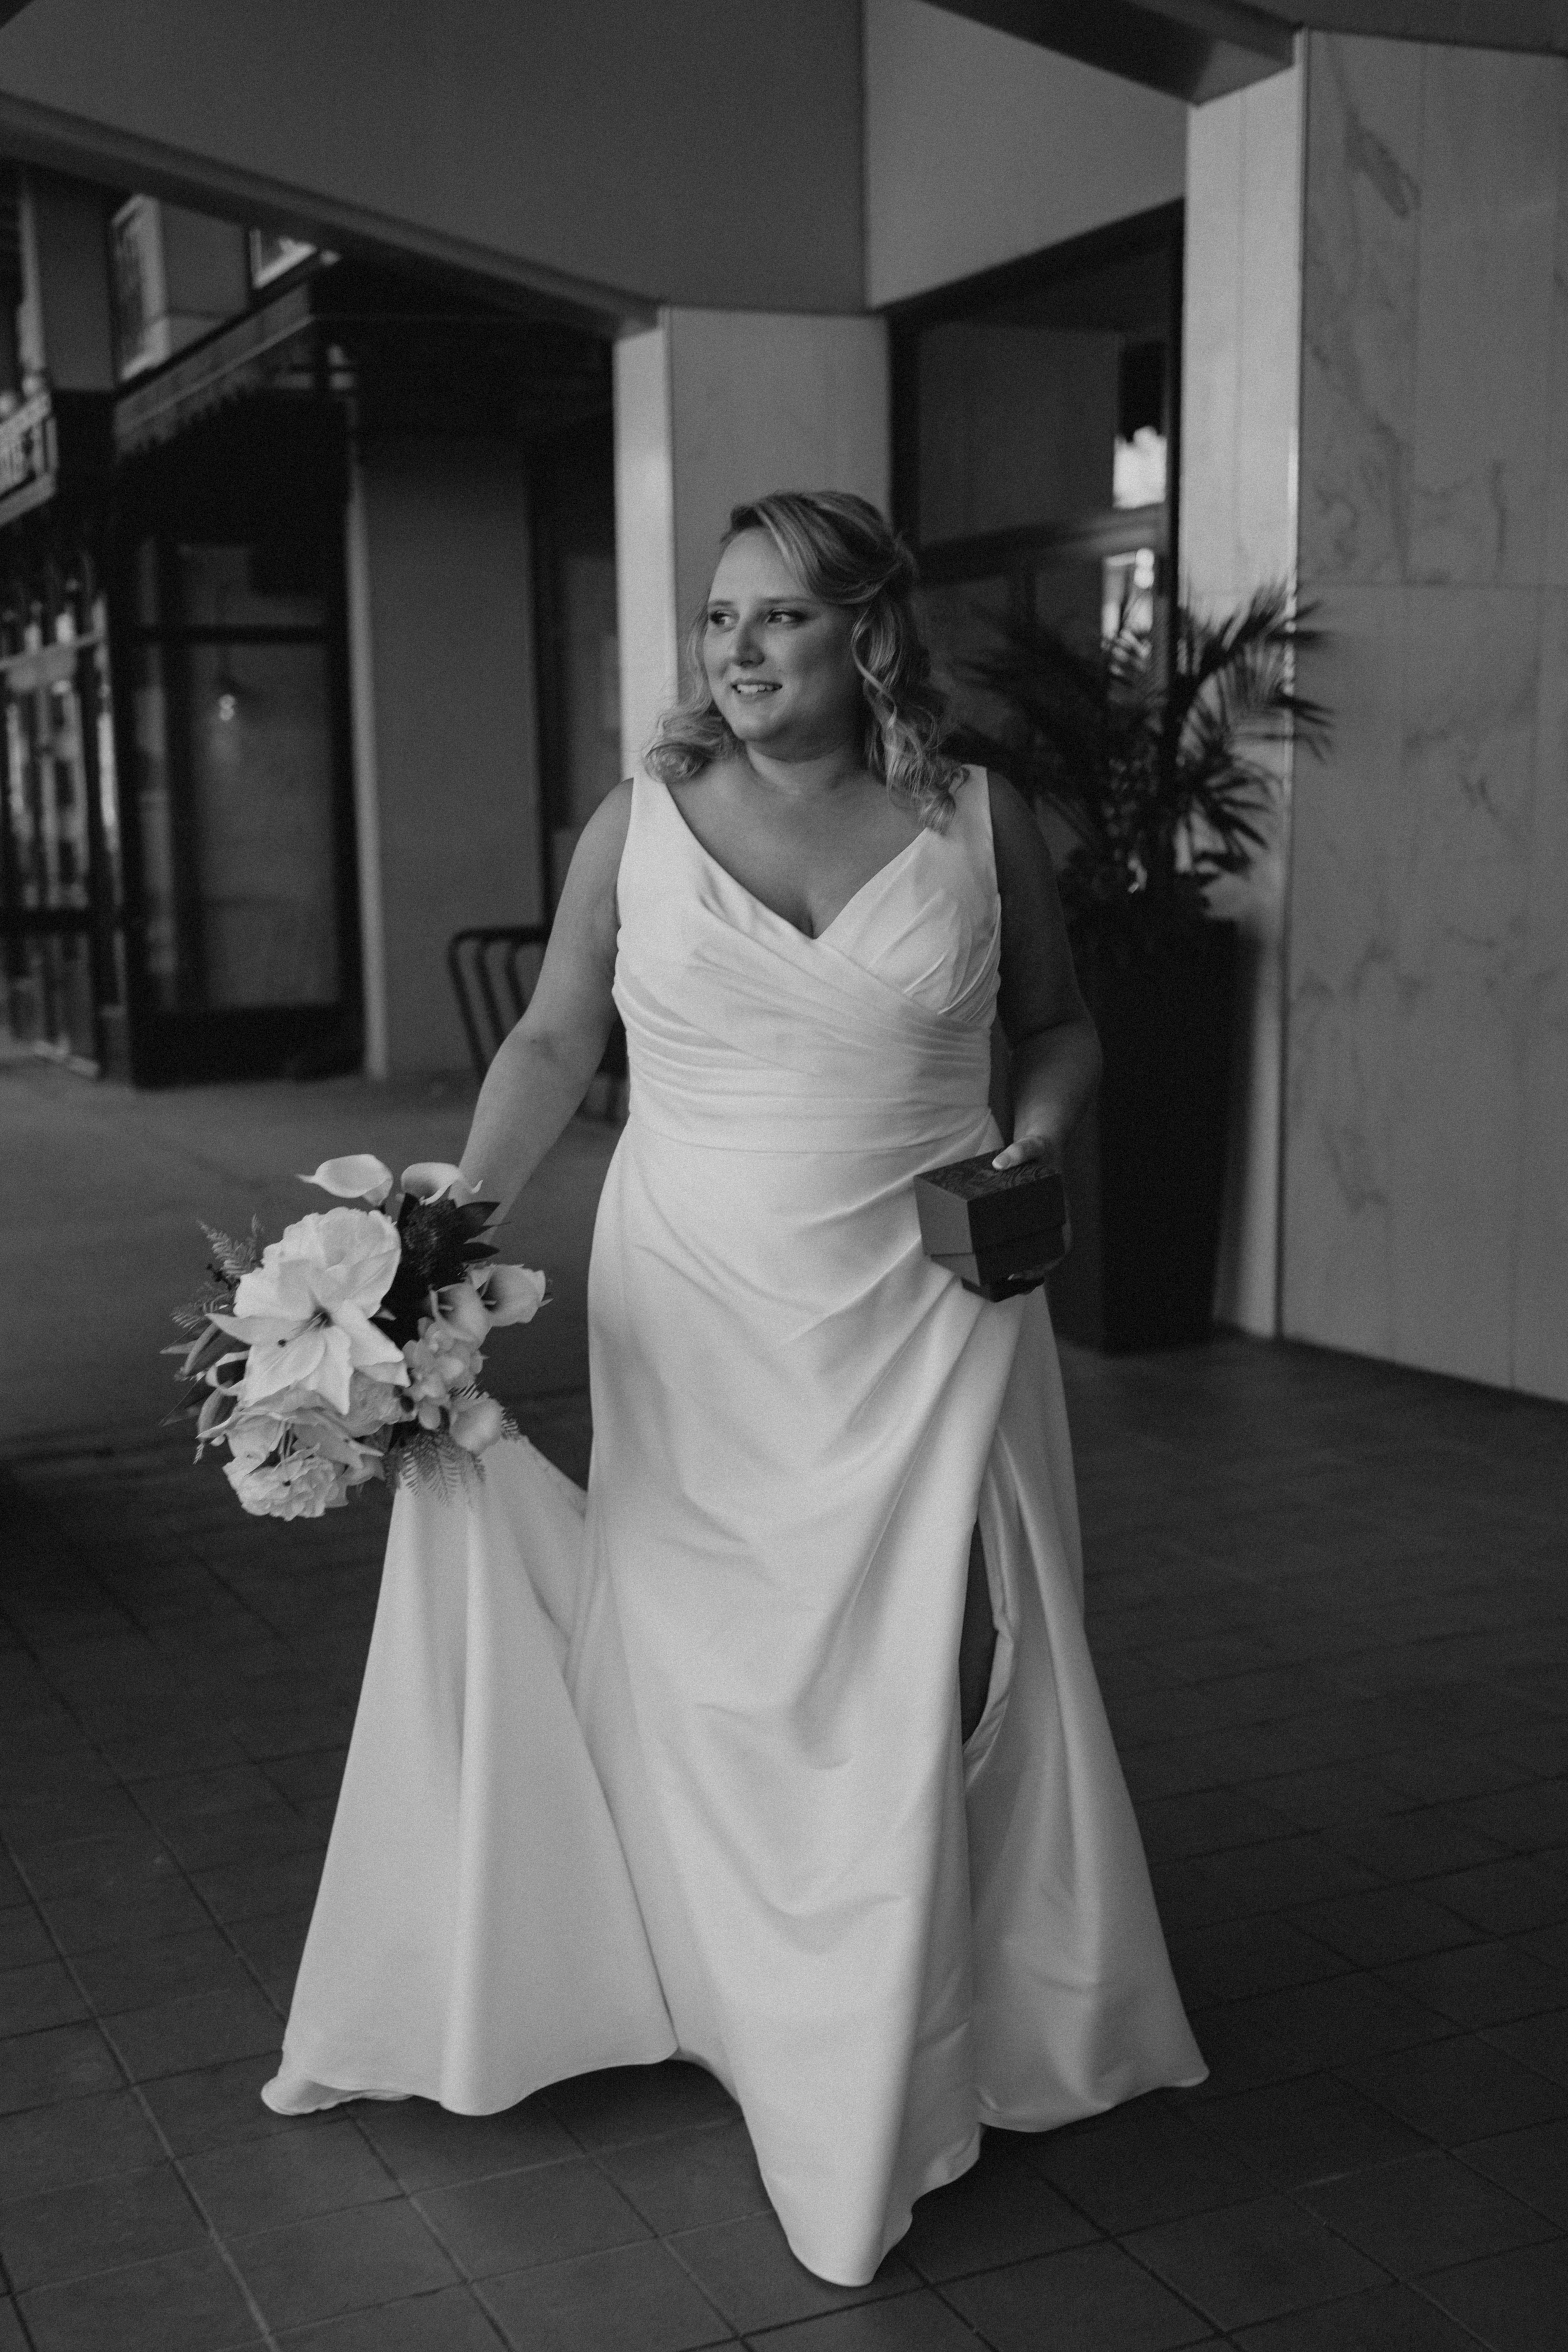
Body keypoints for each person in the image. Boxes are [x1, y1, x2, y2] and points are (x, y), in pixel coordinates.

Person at [262, 490, 1204, 2287]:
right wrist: (430, 1236)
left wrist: (1031, 1136)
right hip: (692, 1302)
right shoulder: (637, 823)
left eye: (775, 618)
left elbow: (1062, 1019)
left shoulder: (974, 813)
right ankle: (737, 1994)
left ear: (866, 635)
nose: (735, 651)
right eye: (715, 620)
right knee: (712, 1663)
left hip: (929, 1298)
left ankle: (882, 2034)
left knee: (933, 1657)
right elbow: (552, 1034)